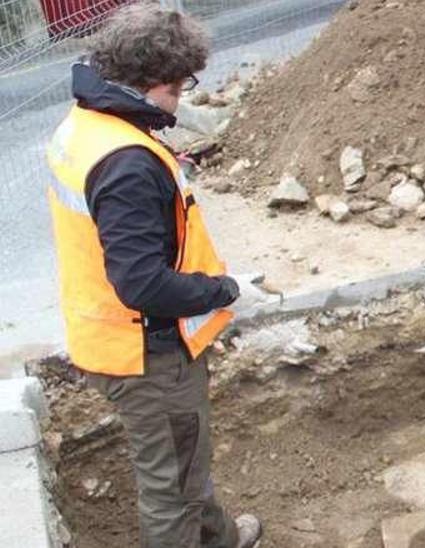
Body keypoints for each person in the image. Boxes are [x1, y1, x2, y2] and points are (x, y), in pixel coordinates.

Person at [45, 4, 268, 546]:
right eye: (179, 86)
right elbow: (143, 284)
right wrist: (227, 291)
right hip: (148, 355)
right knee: (172, 488)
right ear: (152, 82)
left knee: (185, 457)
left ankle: (219, 538)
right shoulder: (126, 163)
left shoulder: (89, 123)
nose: (183, 97)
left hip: (109, 335)